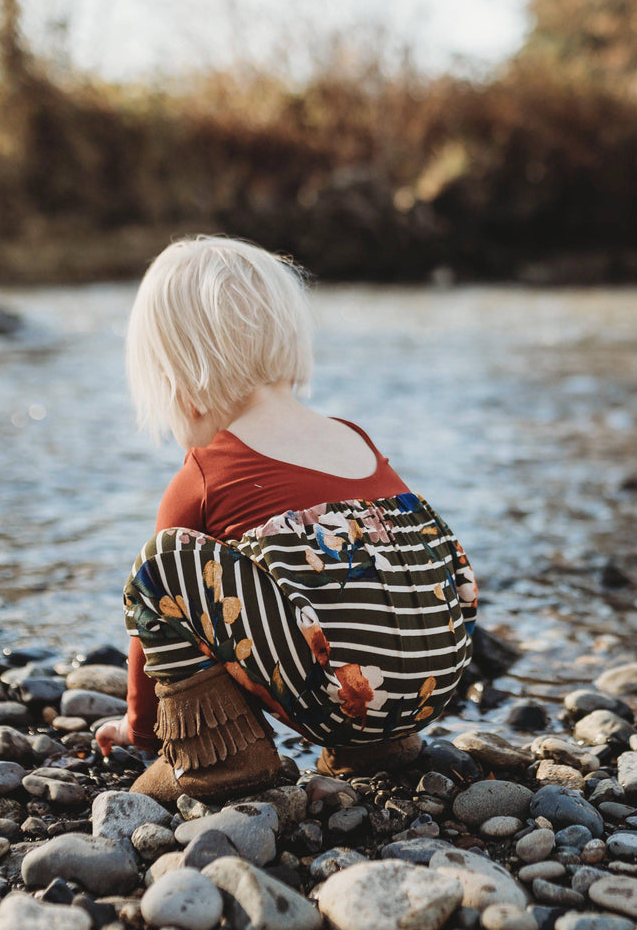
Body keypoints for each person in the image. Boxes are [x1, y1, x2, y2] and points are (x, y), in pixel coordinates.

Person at [95, 235, 478, 805]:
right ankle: (376, 747)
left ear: (179, 381)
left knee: (160, 568)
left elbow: (147, 628)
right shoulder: (354, 438)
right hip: (434, 686)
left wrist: (141, 727)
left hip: (337, 697)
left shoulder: (206, 469)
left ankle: (218, 756)